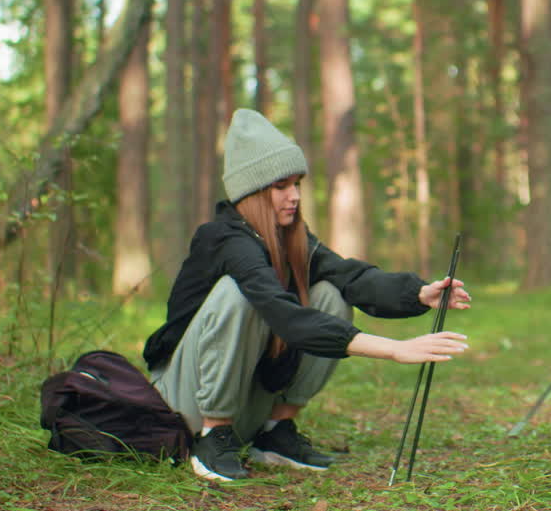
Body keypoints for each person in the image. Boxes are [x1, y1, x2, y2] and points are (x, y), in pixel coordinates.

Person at [144, 109, 470, 482]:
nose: (295, 196)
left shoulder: (291, 239)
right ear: (253, 190)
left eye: (297, 184)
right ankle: (214, 436)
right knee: (238, 293)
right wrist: (394, 349)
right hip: (185, 405)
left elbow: (349, 276)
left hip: (245, 398)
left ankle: (275, 434)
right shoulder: (223, 239)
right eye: (282, 186)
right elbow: (284, 316)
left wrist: (418, 293)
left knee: (330, 293)